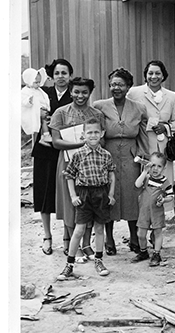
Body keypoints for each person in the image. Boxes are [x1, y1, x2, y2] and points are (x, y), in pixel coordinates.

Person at [93, 68, 149, 255]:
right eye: (113, 84)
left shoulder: (139, 108)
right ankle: (109, 239)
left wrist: (144, 158)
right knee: (108, 195)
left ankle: (134, 237)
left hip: (131, 157)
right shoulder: (99, 106)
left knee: (133, 195)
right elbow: (96, 133)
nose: (116, 88)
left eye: (120, 84)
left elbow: (142, 137)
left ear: (128, 87)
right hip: (108, 155)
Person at [50, 77, 105, 259]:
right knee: (70, 201)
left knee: (88, 201)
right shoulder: (61, 112)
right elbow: (56, 142)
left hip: (91, 164)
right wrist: (79, 144)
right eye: (76, 91)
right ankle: (72, 243)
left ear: (90, 93)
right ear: (70, 91)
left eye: (84, 92)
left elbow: (102, 138)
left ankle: (87, 244)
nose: (80, 96)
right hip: (67, 162)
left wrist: (92, 143)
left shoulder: (96, 114)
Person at [57, 118, 115, 280]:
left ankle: (98, 260)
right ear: (83, 135)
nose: (93, 135)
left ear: (102, 133)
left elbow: (112, 175)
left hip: (101, 193)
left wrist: (110, 194)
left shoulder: (106, 155)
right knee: (79, 229)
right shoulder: (78, 155)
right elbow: (69, 175)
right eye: (89, 132)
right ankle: (69, 264)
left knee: (99, 229)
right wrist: (73, 195)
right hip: (83, 194)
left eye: (96, 132)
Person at [32, 59, 73, 255]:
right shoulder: (43, 93)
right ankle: (47, 236)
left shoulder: (75, 93)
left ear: (70, 75)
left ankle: (67, 237)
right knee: (44, 191)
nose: (60, 77)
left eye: (64, 73)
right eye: (57, 73)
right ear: (52, 76)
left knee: (65, 192)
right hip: (44, 149)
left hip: (65, 148)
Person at [127, 60, 175, 185]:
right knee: (145, 180)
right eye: (150, 73)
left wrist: (166, 127)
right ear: (146, 75)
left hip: (164, 147)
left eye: (157, 73)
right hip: (144, 144)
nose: (154, 77)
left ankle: (166, 203)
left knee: (164, 181)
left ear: (163, 76)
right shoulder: (134, 93)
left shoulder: (171, 96)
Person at [132, 152, 175, 267]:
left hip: (156, 211)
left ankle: (156, 253)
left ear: (164, 168)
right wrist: (145, 171)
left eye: (159, 166)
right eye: (153, 165)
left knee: (157, 232)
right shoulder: (146, 177)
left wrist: (164, 200)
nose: (155, 169)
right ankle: (143, 251)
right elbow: (137, 185)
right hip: (144, 210)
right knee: (141, 234)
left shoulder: (164, 181)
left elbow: (171, 196)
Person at [21, 67, 51, 146]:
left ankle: (44, 137)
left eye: (39, 82)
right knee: (42, 121)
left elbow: (44, 97)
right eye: (36, 82)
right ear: (29, 81)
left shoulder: (38, 90)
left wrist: (46, 107)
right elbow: (23, 102)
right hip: (34, 111)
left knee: (45, 121)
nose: (38, 84)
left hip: (42, 110)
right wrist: (29, 101)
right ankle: (45, 136)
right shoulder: (25, 91)